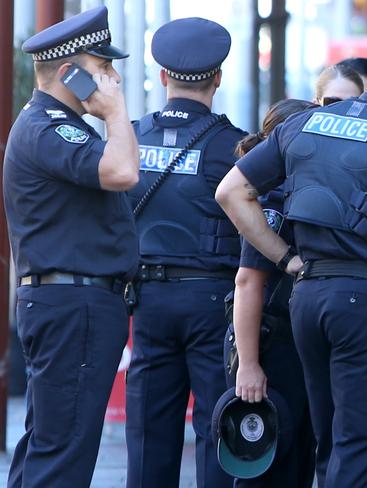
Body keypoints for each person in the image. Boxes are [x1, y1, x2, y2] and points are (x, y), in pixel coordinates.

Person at [216, 39, 367, 487]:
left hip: (308, 298)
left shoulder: (304, 124)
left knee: (331, 444)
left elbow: (231, 193)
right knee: (363, 447)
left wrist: (286, 258)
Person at [3, 6, 139, 487]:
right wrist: (117, 112)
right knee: (63, 453)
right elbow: (123, 171)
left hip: (68, 305)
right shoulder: (49, 128)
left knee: (50, 443)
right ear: (68, 73)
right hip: (72, 307)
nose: (112, 80)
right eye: (102, 69)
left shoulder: (55, 126)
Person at [124, 18, 246, 488]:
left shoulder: (130, 140)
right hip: (213, 303)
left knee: (148, 431)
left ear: (162, 77)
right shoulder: (231, 146)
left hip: (147, 302)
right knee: (217, 427)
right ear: (218, 77)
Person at [223, 98, 317, 487]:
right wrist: (248, 364)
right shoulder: (272, 201)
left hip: (295, 344)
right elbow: (247, 282)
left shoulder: (297, 192)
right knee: (265, 462)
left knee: (296, 462)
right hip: (268, 345)